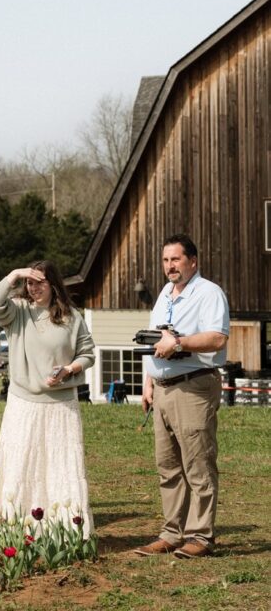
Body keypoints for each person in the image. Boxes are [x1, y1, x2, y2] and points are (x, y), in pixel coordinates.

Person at [133, 234, 229, 559]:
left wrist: (179, 343)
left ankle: (200, 536)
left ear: (192, 261)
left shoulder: (209, 293)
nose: (169, 266)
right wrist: (149, 381)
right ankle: (172, 533)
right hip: (163, 388)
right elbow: (155, 339)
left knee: (198, 464)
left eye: (175, 259)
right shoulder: (165, 294)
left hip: (193, 386)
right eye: (165, 260)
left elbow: (217, 338)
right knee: (168, 466)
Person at [0, 260, 95, 537]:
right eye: (29, 282)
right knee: (22, 462)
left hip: (60, 404)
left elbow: (87, 353)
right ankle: (16, 524)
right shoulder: (19, 312)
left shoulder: (72, 316)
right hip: (24, 403)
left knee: (59, 465)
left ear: (53, 285)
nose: (33, 288)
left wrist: (69, 369)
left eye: (39, 282)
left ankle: (64, 529)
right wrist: (14, 274)